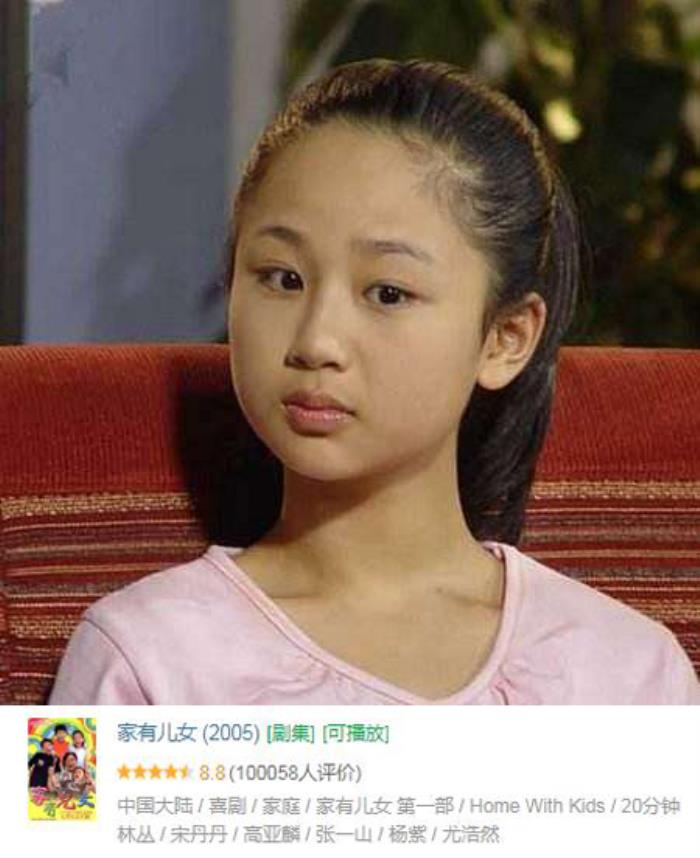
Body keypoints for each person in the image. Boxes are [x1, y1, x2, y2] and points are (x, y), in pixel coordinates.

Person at [49, 58, 699, 705]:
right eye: (282, 278)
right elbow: (55, 782)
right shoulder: (134, 652)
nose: (315, 342)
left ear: (506, 337)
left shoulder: (635, 673)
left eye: (388, 293)